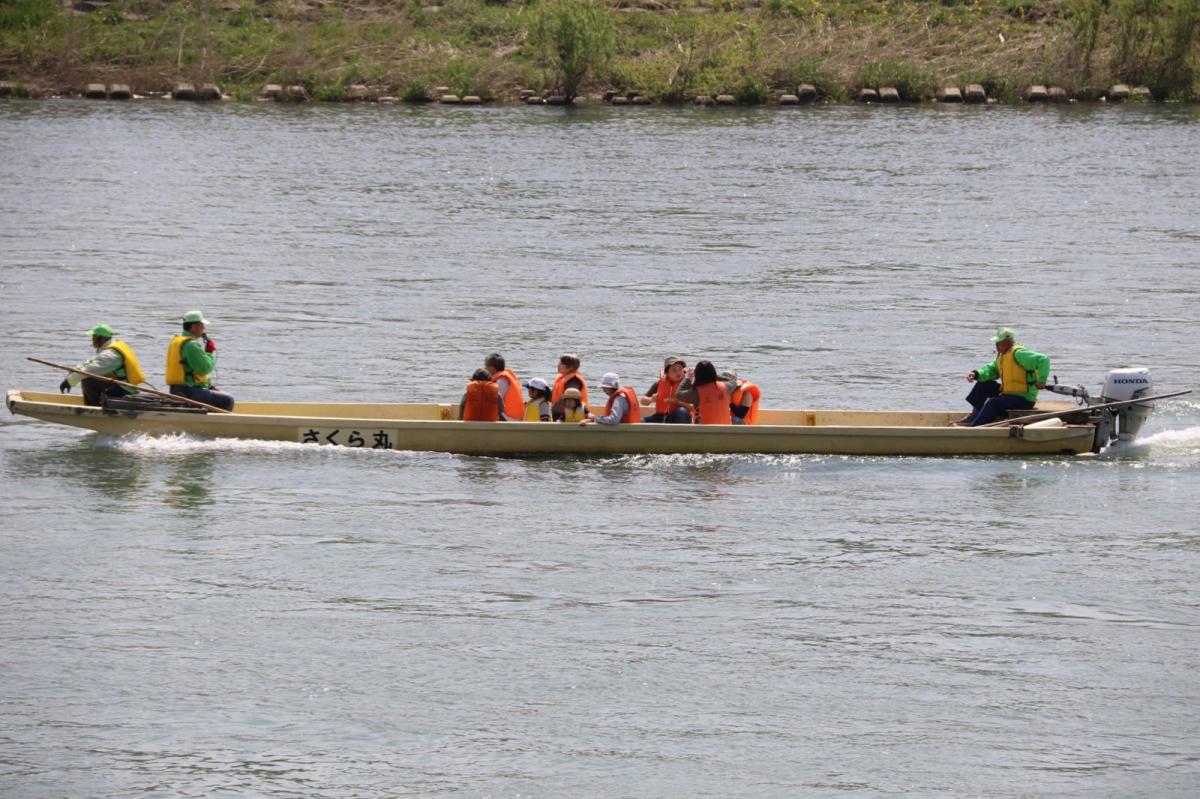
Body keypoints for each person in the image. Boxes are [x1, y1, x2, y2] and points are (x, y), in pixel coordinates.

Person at [958, 327, 1050, 426]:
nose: (996, 345)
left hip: (1024, 399)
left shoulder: (1019, 353)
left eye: (999, 342)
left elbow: (1043, 359)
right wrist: (977, 374)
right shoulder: (1003, 355)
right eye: (996, 342)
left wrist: (1042, 380)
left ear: (1008, 341)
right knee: (983, 385)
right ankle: (975, 415)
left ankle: (975, 427)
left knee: (993, 403)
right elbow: (992, 369)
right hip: (1008, 394)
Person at [59, 323, 146, 406]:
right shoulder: (109, 347)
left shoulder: (110, 355)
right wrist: (74, 371)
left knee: (88, 379)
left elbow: (89, 370)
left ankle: (95, 408)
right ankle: (96, 404)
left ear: (101, 338)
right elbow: (90, 362)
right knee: (87, 377)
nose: (92, 340)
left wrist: (69, 381)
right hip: (120, 386)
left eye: (93, 337)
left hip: (124, 390)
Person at [165, 310, 235, 411]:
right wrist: (209, 352)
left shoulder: (178, 341)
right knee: (227, 400)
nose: (204, 328)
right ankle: (216, 425)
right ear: (194, 326)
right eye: (202, 325)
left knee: (220, 395)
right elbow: (204, 368)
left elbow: (191, 371)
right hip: (188, 392)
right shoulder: (191, 345)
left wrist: (209, 387)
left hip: (177, 390)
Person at [673, 360, 736, 424]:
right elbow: (733, 382)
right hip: (726, 430)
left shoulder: (696, 392)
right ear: (713, 372)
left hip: (703, 432)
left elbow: (678, 395)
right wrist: (713, 375)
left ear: (697, 374)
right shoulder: (726, 386)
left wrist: (688, 378)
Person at [641, 356, 692, 423]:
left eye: (680, 369)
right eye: (674, 370)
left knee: (681, 412)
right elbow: (642, 401)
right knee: (639, 420)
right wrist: (651, 400)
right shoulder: (659, 383)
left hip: (679, 417)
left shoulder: (688, 384)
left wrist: (679, 402)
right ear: (667, 373)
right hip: (660, 416)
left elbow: (694, 406)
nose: (678, 372)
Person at [484, 353, 524, 421]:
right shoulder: (506, 377)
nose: (485, 369)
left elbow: (495, 401)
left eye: (486, 367)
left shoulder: (501, 380)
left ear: (492, 368)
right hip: (515, 416)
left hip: (508, 417)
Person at [550, 353, 588, 421]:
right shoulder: (562, 378)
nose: (558, 365)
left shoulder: (574, 381)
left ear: (571, 367)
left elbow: (570, 401)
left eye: (561, 363)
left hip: (570, 418)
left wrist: (552, 409)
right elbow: (552, 396)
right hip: (559, 415)